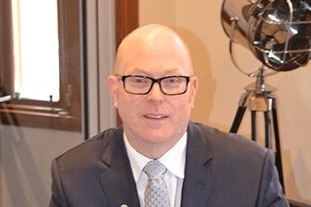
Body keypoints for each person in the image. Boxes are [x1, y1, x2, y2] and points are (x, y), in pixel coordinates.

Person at [49, 24, 289, 207]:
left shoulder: (252, 169)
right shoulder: (73, 177)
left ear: (192, 92)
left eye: (172, 81)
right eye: (139, 80)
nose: (156, 97)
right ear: (115, 91)